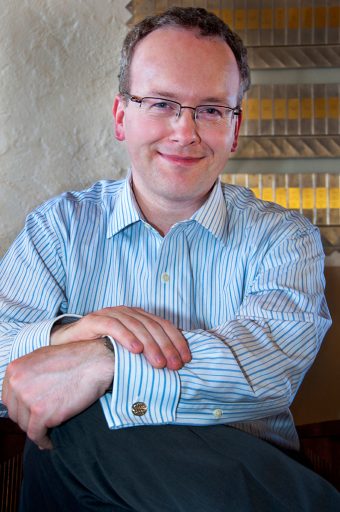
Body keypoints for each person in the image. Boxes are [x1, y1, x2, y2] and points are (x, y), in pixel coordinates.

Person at [1, 6, 339, 511]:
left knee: (77, 420)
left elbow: (267, 373)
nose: (185, 132)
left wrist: (104, 361)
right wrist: (70, 334)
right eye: (161, 103)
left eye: (209, 109)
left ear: (235, 127)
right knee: (70, 430)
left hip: (236, 465)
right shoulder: (58, 228)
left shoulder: (284, 237)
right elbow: (8, 368)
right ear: (121, 116)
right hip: (90, 488)